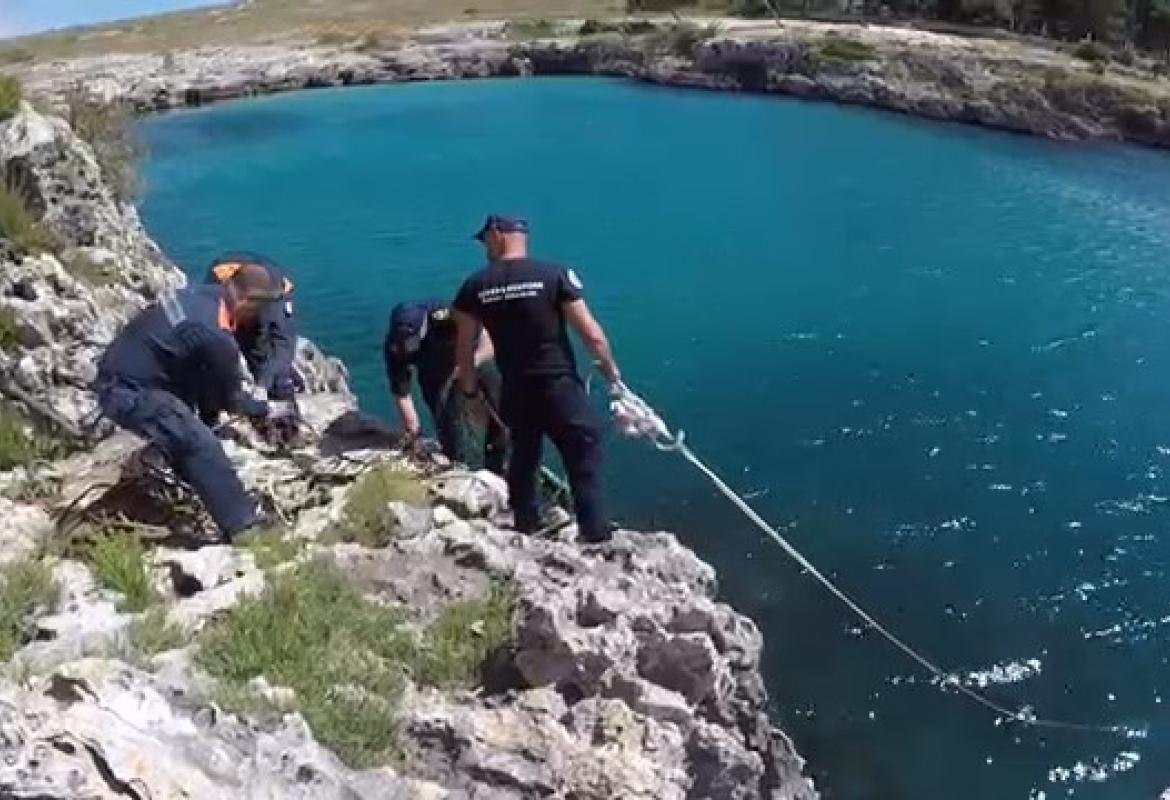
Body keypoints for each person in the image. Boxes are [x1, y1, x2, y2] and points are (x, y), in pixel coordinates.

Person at [453, 215, 621, 543]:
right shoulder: (554, 275)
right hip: (558, 385)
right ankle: (595, 532)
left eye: (485, 240)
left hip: (515, 388)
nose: (484, 247)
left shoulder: (474, 287)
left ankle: (525, 524)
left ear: (498, 235)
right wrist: (609, 368)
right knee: (582, 449)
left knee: (524, 455)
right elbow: (591, 335)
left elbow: (464, 349)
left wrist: (471, 392)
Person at [93, 269, 284, 540]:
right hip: (128, 392)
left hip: (122, 371)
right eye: (261, 309)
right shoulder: (217, 338)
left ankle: (194, 478)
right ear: (247, 303)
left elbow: (198, 370)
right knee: (199, 443)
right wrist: (266, 409)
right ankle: (244, 527)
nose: (261, 317)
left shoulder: (202, 296)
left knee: (189, 425)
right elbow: (231, 400)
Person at [384, 299, 506, 474]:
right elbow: (401, 392)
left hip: (474, 358)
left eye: (412, 342)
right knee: (451, 429)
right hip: (435, 374)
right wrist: (413, 430)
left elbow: (490, 343)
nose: (409, 347)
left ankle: (502, 465)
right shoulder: (395, 347)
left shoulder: (448, 317)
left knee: (500, 416)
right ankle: (463, 470)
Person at [205, 252, 299, 443]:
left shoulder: (277, 299)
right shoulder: (218, 285)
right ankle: (210, 418)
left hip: (257, 304)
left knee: (268, 361)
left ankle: (284, 423)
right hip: (230, 295)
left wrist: (263, 383)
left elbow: (284, 345)